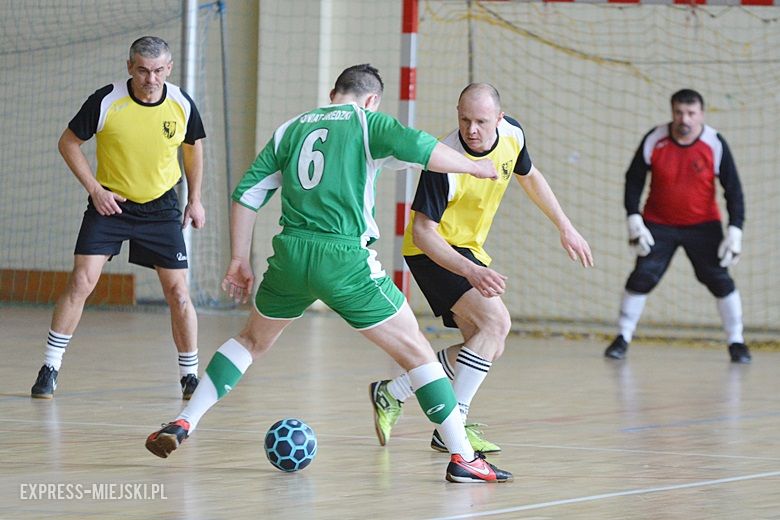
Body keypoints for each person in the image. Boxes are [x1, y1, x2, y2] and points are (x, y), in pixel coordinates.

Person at [145, 64, 512, 483]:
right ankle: (463, 458)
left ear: (333, 92)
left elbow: (247, 193)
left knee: (249, 341)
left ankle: (185, 420)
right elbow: (425, 148)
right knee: (418, 355)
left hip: (290, 257)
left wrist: (239, 260)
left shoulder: (291, 129)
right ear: (372, 99)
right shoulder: (367, 122)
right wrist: (474, 167)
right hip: (344, 260)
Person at [368, 83, 594, 453]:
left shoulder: (513, 135)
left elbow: (530, 176)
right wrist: (470, 272)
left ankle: (392, 392)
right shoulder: (445, 161)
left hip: (469, 248)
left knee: (486, 345)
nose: (471, 129)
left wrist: (565, 226)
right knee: (497, 324)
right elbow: (424, 233)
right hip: (434, 251)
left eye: (480, 122)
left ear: (499, 119)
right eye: (464, 119)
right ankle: (451, 425)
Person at [30, 36, 206, 400]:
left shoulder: (181, 103)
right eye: (142, 70)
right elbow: (68, 142)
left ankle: (189, 375)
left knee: (178, 292)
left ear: (168, 69)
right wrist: (95, 189)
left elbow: (192, 150)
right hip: (110, 203)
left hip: (161, 207)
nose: (150, 78)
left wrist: (195, 200)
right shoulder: (106, 100)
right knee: (81, 281)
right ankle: (50, 367)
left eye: (158, 70)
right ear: (130, 67)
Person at [603, 88, 750, 364]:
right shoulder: (654, 138)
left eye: (691, 113)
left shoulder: (715, 142)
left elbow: (734, 190)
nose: (685, 119)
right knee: (642, 277)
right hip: (658, 224)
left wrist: (735, 230)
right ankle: (622, 337)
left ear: (701, 114)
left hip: (703, 225)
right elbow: (633, 180)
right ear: (672, 112)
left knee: (720, 280)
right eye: (679, 112)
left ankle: (737, 341)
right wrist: (634, 219)